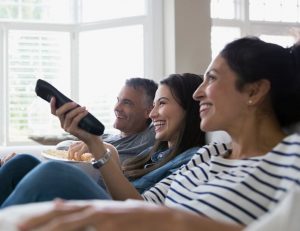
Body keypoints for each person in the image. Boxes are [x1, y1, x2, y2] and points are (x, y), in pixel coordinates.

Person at [3, 36, 300, 231]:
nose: (198, 93)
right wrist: (94, 142)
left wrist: (177, 221)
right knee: (33, 168)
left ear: (254, 90)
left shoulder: (291, 157)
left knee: (57, 175)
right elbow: (140, 205)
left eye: (211, 78)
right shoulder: (208, 156)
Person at [0, 73, 205, 204]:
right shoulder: (157, 153)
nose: (153, 114)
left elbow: (139, 207)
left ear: (189, 109)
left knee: (54, 172)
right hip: (106, 197)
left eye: (162, 103)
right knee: (22, 162)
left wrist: (98, 146)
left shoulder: (192, 159)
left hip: (120, 214)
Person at [66, 77, 158, 163]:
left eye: (127, 103)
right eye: (118, 100)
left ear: (148, 112)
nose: (117, 108)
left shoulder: (150, 138)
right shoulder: (104, 137)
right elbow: (64, 146)